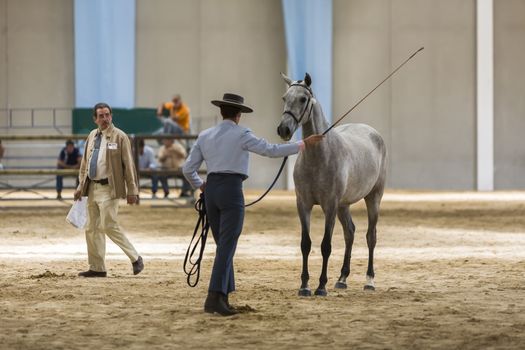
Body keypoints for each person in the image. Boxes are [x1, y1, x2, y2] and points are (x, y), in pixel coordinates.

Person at [183, 93, 324, 316]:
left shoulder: (205, 135)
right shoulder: (242, 134)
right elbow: (271, 150)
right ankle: (213, 298)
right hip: (231, 191)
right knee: (227, 247)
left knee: (223, 246)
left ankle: (224, 295)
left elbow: (187, 169)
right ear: (239, 115)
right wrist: (302, 144)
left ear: (222, 112)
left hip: (211, 191)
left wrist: (201, 185)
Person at [74, 102, 144, 278]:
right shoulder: (91, 135)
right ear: (95, 119)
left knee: (108, 225)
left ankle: (135, 258)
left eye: (107, 115)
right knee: (91, 228)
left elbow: (129, 165)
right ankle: (97, 267)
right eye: (101, 116)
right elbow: (84, 164)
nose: (105, 119)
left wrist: (132, 191)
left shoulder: (120, 137)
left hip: (110, 188)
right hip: (91, 187)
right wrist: (80, 186)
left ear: (111, 116)